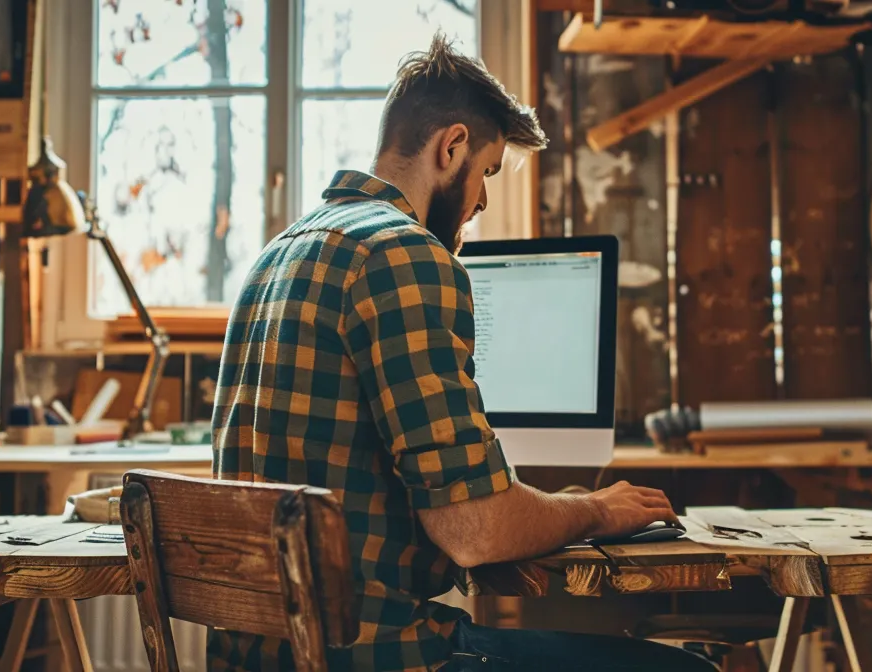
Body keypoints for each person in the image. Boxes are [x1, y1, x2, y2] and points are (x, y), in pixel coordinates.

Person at [208, 35, 716, 672]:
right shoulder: (406, 253)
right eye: (487, 173)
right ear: (451, 148)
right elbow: (472, 530)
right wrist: (594, 510)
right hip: (380, 658)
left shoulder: (275, 256)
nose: (479, 202)